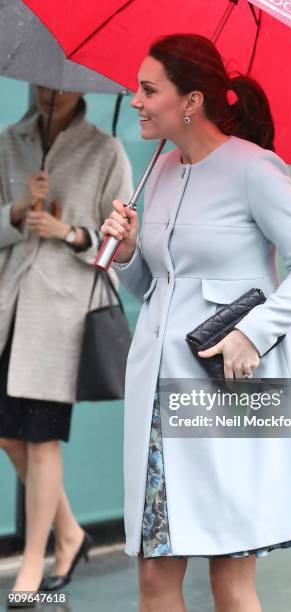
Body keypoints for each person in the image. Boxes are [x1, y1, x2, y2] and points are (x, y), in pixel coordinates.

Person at [101, 33, 291, 611]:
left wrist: (253, 332)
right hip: (157, 395)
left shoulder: (256, 170)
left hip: (222, 398)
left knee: (230, 580)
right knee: (154, 578)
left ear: (191, 100)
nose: (135, 100)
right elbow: (158, 287)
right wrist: (128, 252)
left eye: (148, 89)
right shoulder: (156, 173)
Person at [0, 86, 132, 601]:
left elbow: (118, 245)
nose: (50, 91)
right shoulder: (10, 140)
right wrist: (17, 210)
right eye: (41, 81)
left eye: (60, 83)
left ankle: (35, 564)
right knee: (10, 436)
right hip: (10, 308)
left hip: (60, 314)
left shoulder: (106, 150)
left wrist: (69, 231)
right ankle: (72, 532)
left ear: (81, 85)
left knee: (41, 438)